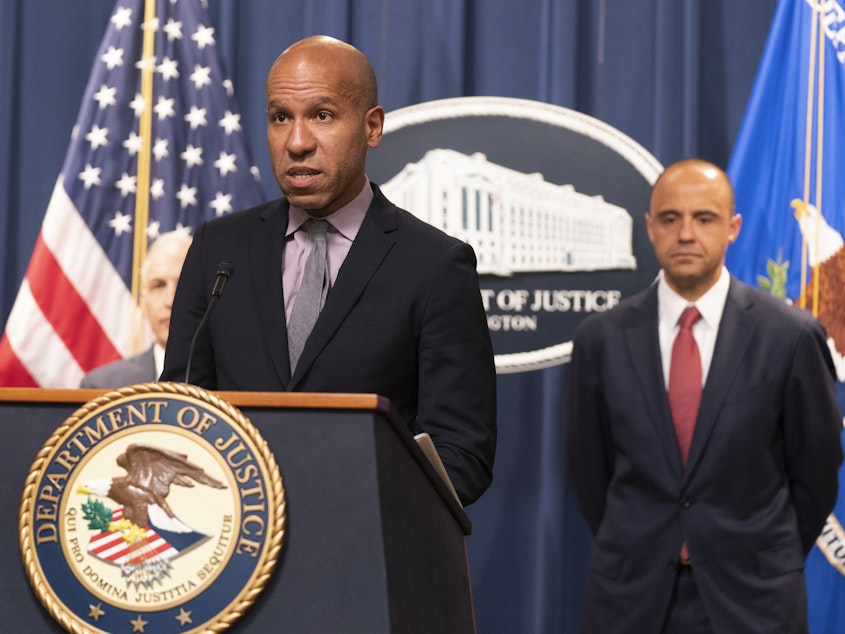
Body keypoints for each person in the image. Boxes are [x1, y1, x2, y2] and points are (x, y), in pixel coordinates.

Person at [160, 36, 496, 506]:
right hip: (229, 545)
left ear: (372, 127)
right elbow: (178, 408)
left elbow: (461, 453)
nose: (297, 143)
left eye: (322, 115)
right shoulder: (219, 249)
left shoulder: (435, 266)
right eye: (281, 118)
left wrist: (340, 504)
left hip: (361, 552)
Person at [565, 158, 843, 632]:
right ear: (650, 228)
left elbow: (815, 473)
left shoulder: (791, 336)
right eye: (671, 219)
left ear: (733, 228)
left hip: (755, 600)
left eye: (704, 218)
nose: (686, 234)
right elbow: (593, 473)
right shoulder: (600, 339)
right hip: (632, 598)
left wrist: (758, 551)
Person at [81, 231, 192, 388]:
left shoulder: (233, 385)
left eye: (183, 285)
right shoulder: (102, 388)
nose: (170, 300)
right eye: (158, 286)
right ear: (144, 301)